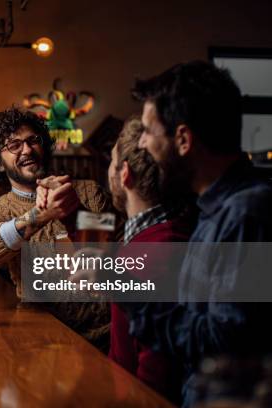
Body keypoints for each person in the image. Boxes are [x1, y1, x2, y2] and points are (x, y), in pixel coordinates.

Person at [127, 61, 272, 406]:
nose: (143, 144)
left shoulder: (246, 214)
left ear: (183, 139)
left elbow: (222, 346)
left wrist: (128, 293)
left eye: (148, 131)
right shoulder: (211, 208)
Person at [0, 107, 110, 345]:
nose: (26, 149)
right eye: (14, 145)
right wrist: (40, 215)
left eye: (32, 140)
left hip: (102, 336)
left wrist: (74, 210)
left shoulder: (88, 192)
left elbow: (109, 258)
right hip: (44, 338)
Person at [106, 117, 194, 403]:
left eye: (112, 161)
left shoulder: (154, 253)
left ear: (124, 174)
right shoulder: (164, 235)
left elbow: (155, 373)